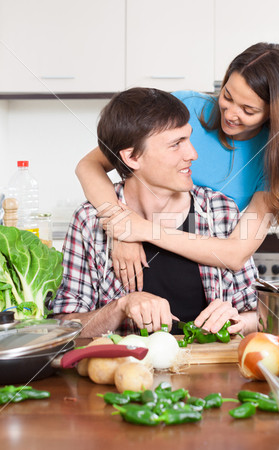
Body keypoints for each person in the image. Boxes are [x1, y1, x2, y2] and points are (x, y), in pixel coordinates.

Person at [75, 42, 279, 292]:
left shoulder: (272, 160)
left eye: (248, 110)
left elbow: (235, 253)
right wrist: (121, 231)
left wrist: (142, 231)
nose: (231, 114)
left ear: (274, 113)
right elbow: (89, 164)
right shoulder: (188, 107)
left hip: (204, 268)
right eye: (227, 96)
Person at [51, 87, 259, 338]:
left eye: (188, 138)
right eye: (176, 144)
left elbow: (258, 315)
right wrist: (121, 307)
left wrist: (239, 320)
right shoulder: (88, 222)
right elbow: (63, 327)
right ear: (132, 157)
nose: (193, 154)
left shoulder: (220, 211)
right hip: (125, 373)